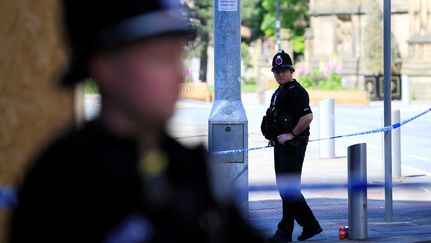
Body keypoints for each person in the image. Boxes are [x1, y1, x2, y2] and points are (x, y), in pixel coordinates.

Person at [8, 1, 266, 242]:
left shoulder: (193, 167)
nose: (177, 75)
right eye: (160, 58)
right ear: (105, 68)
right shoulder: (61, 180)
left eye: (177, 58)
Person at [261, 50, 322, 242]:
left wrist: (292, 134)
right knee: (286, 188)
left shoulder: (297, 92)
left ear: (291, 71)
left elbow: (308, 117)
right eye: (277, 71)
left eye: (284, 70)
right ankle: (311, 226)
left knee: (288, 188)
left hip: (293, 145)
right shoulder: (279, 92)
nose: (280, 74)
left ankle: (285, 231)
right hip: (281, 145)